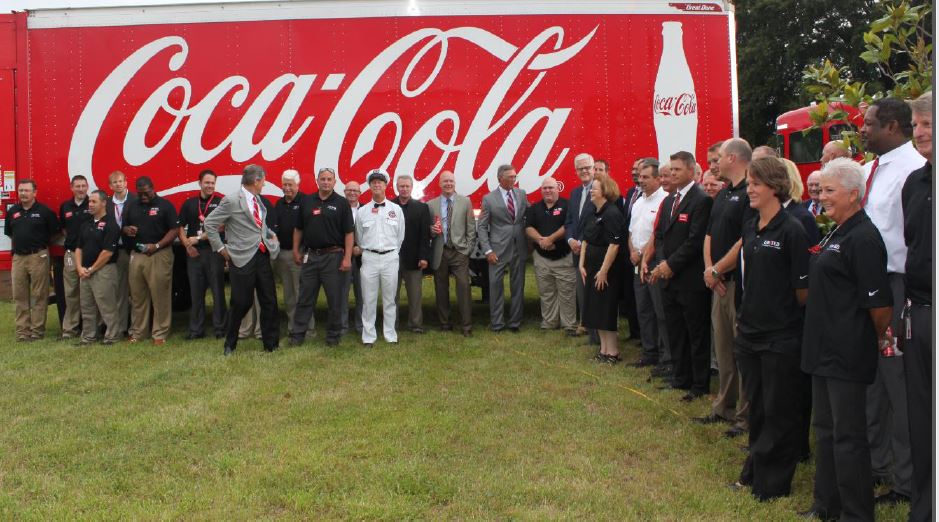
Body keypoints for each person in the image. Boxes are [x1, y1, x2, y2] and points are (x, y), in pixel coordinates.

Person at [800, 157, 892, 522]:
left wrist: (858, 339)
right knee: (824, 431)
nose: (822, 196)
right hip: (821, 351)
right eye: (821, 190)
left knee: (849, 438)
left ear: (854, 195)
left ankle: (855, 513)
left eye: (829, 191)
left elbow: (880, 308)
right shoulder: (835, 231)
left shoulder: (865, 238)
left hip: (846, 355)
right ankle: (826, 505)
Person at [729, 157, 810, 500]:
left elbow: (802, 291)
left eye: (756, 184)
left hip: (780, 337)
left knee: (779, 410)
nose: (750, 189)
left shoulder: (793, 229)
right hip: (750, 333)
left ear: (774, 188)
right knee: (758, 408)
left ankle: (774, 484)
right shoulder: (750, 225)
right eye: (748, 183)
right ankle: (754, 469)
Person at [859, 97, 920, 504]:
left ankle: (906, 479)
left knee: (898, 384)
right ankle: (874, 463)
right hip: (867, 287)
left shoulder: (912, 170)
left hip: (896, 287)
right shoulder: (869, 170)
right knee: (872, 382)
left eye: (869, 124)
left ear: (893, 126)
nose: (861, 129)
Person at [644, 151, 713, 401]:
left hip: (690, 279)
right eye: (671, 169)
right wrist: (662, 263)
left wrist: (670, 265)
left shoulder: (701, 200)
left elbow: (695, 241)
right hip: (669, 278)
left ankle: (699, 385)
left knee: (696, 334)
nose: (672, 173)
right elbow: (661, 235)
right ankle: (680, 377)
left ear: (691, 170)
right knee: (676, 332)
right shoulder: (671, 198)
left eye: (677, 169)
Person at [698, 138, 753, 435]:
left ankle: (745, 417)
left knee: (742, 351)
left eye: (718, 158)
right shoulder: (722, 194)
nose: (714, 163)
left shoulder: (749, 193)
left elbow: (745, 240)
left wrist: (719, 270)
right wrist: (710, 270)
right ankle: (723, 407)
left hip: (735, 284)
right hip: (716, 282)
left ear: (732, 158)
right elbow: (709, 235)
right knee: (723, 350)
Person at [204, 165, 280, 355]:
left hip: (262, 255)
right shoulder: (231, 200)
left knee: (269, 300)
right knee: (241, 302)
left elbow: (258, 226)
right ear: (256, 181)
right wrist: (221, 249)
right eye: (263, 181)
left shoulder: (258, 200)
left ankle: (271, 344)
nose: (264, 184)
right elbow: (210, 223)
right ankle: (230, 343)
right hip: (241, 258)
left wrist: (271, 234)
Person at [900, 91, 932, 522]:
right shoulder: (915, 182)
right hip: (919, 312)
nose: (919, 133)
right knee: (922, 422)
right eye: (916, 125)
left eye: (927, 124)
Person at [290, 167, 354, 347]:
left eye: (329, 179)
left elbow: (349, 233)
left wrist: (347, 257)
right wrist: (296, 250)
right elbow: (298, 228)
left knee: (335, 301)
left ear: (335, 182)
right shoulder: (307, 201)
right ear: (317, 181)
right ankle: (297, 336)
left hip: (333, 257)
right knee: (304, 299)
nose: (326, 182)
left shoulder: (341, 203)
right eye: (323, 179)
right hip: (310, 257)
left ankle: (333, 337)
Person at [123, 176, 177, 345]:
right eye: (140, 193)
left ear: (153, 188)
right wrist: (127, 229)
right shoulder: (132, 205)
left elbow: (174, 230)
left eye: (146, 192)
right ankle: (138, 333)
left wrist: (157, 245)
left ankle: (160, 334)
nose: (143, 196)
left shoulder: (165, 205)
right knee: (138, 296)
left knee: (160, 295)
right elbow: (123, 226)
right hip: (137, 254)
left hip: (159, 254)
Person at [356, 170, 406, 346]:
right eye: (374, 182)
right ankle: (368, 336)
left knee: (390, 299)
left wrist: (391, 253)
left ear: (386, 185)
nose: (377, 185)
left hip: (390, 258)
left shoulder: (396, 210)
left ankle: (390, 335)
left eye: (380, 182)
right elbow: (359, 237)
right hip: (369, 258)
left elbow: (400, 236)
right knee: (368, 299)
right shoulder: (362, 211)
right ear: (369, 186)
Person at [5, 179, 58, 342]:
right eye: (21, 190)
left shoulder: (44, 212)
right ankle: (23, 331)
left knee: (39, 295)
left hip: (38, 256)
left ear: (35, 193)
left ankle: (37, 331)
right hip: (19, 258)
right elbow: (10, 233)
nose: (23, 193)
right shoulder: (12, 211)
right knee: (20, 295)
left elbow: (55, 233)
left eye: (27, 190)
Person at [478, 164, 528, 332]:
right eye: (510, 177)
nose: (513, 180)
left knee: (518, 287)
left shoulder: (521, 194)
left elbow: (527, 216)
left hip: (518, 248)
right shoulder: (489, 199)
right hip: (497, 250)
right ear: (500, 179)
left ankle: (515, 322)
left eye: (515, 176)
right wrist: (488, 250)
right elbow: (482, 227)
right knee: (495, 287)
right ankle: (497, 323)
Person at [177, 169, 226, 340]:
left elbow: (221, 226)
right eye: (207, 183)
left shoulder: (221, 202)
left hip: (214, 252)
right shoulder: (189, 203)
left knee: (218, 292)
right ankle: (196, 330)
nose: (210, 186)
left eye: (212, 183)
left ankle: (220, 328)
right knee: (196, 293)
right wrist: (186, 245)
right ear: (200, 183)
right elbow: (180, 227)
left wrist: (198, 238)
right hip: (194, 254)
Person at [580, 174, 624, 362]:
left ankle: (612, 351)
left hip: (605, 271)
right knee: (595, 308)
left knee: (605, 308)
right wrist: (582, 264)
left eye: (595, 188)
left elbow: (614, 245)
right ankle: (603, 349)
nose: (591, 191)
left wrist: (603, 270)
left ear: (605, 191)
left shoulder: (612, 213)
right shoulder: (593, 212)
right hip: (590, 268)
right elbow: (585, 240)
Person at [627, 159, 668, 366]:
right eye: (639, 177)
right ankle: (649, 352)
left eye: (645, 177)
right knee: (643, 310)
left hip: (654, 262)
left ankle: (665, 356)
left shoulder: (665, 200)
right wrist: (633, 251)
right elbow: (631, 231)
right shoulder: (638, 202)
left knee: (659, 311)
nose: (640, 181)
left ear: (658, 178)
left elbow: (658, 234)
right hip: (637, 263)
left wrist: (643, 253)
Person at [525, 176, 576, 334]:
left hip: (563, 257)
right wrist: (542, 240)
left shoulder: (567, 205)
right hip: (542, 258)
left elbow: (568, 226)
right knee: (546, 292)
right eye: (544, 188)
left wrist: (551, 239)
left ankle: (569, 324)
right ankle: (549, 322)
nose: (547, 191)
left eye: (551, 188)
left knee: (567, 293)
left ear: (557, 189)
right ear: (541, 190)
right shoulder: (534, 208)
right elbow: (528, 228)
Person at [428, 170, 476, 337]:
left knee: (463, 287)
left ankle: (466, 326)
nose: (448, 184)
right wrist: (431, 230)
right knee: (441, 288)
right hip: (440, 251)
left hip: (459, 252)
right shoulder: (431, 204)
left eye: (451, 181)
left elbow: (471, 227)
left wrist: (467, 249)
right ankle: (445, 323)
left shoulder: (465, 202)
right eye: (445, 181)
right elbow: (429, 229)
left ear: (454, 183)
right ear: (440, 184)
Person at [74, 190, 122, 345]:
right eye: (89, 202)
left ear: (103, 203)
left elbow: (107, 252)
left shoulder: (111, 224)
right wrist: (80, 268)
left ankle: (112, 336)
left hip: (103, 271)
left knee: (107, 305)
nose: (90, 204)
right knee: (87, 306)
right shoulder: (85, 224)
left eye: (94, 202)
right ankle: (88, 337)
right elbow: (79, 248)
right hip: (85, 272)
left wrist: (92, 269)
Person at [272, 169, 313, 338]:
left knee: (302, 294)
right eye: (284, 184)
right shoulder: (279, 204)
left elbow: (309, 228)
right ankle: (293, 328)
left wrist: (303, 251)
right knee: (288, 295)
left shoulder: (306, 201)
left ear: (298, 185)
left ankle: (308, 330)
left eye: (290, 184)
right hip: (282, 254)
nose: (287, 188)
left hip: (299, 254)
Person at [564, 153, 598, 343]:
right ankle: (588, 328)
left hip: (593, 250)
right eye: (580, 168)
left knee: (595, 293)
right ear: (576, 171)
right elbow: (569, 221)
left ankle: (598, 334)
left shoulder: (600, 190)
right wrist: (570, 240)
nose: (584, 171)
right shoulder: (575, 193)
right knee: (583, 293)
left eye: (587, 167)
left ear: (593, 168)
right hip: (577, 251)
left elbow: (599, 221)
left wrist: (582, 242)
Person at [392, 175, 431, 334]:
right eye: (401, 186)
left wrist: (423, 257)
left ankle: (415, 324)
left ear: (412, 187)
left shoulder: (421, 208)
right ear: (397, 187)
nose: (404, 189)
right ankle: (391, 324)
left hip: (414, 258)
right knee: (391, 295)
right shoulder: (389, 206)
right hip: (392, 258)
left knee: (415, 295)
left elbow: (424, 236)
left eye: (407, 186)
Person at [237, 195, 275, 341]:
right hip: (244, 255)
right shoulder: (237, 203)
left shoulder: (265, 204)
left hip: (261, 255)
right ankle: (245, 329)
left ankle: (260, 330)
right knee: (245, 294)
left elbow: (269, 229)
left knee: (262, 296)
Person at [59, 175, 91, 339]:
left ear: (87, 187)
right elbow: (64, 229)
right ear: (71, 188)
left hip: (89, 254)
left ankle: (90, 329)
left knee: (89, 293)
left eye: (83, 186)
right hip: (71, 254)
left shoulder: (93, 204)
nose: (80, 189)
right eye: (77, 186)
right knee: (71, 292)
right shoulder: (65, 206)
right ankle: (69, 329)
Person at [107, 170, 136, 337]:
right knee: (119, 291)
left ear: (126, 182)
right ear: (110, 186)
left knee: (137, 290)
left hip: (132, 249)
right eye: (114, 182)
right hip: (115, 251)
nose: (118, 184)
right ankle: (121, 328)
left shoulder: (135, 200)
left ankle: (137, 327)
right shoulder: (107, 203)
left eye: (120, 181)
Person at [341, 180, 364, 336]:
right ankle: (342, 326)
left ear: (360, 193)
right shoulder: (338, 208)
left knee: (362, 294)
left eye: (355, 190)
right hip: (343, 257)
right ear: (344, 192)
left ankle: (361, 325)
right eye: (349, 190)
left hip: (363, 259)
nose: (352, 193)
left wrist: (361, 248)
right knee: (342, 294)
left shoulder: (368, 210)